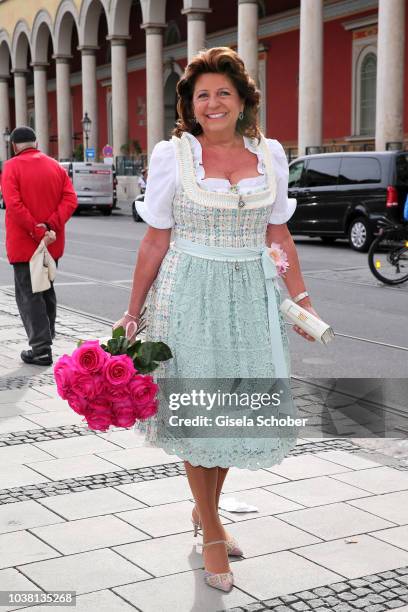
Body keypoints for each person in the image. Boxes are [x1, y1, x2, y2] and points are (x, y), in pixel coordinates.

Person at [114, 47, 321, 592]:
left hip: (252, 297)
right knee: (199, 414)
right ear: (190, 103)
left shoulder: (269, 154)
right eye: (202, 94)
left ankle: (207, 510)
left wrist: (302, 299)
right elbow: (155, 237)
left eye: (223, 93)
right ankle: (210, 530)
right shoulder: (174, 156)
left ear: (242, 100)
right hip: (189, 295)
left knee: (234, 413)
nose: (212, 102)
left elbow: (278, 234)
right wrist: (132, 313)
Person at [1, 126, 77, 366]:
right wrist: (51, 225)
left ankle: (41, 348)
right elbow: (70, 199)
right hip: (51, 243)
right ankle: (48, 336)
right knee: (46, 290)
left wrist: (36, 229)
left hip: (26, 245)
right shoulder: (55, 166)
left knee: (29, 295)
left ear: (14, 146)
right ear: (36, 143)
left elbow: (13, 204)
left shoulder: (11, 167)